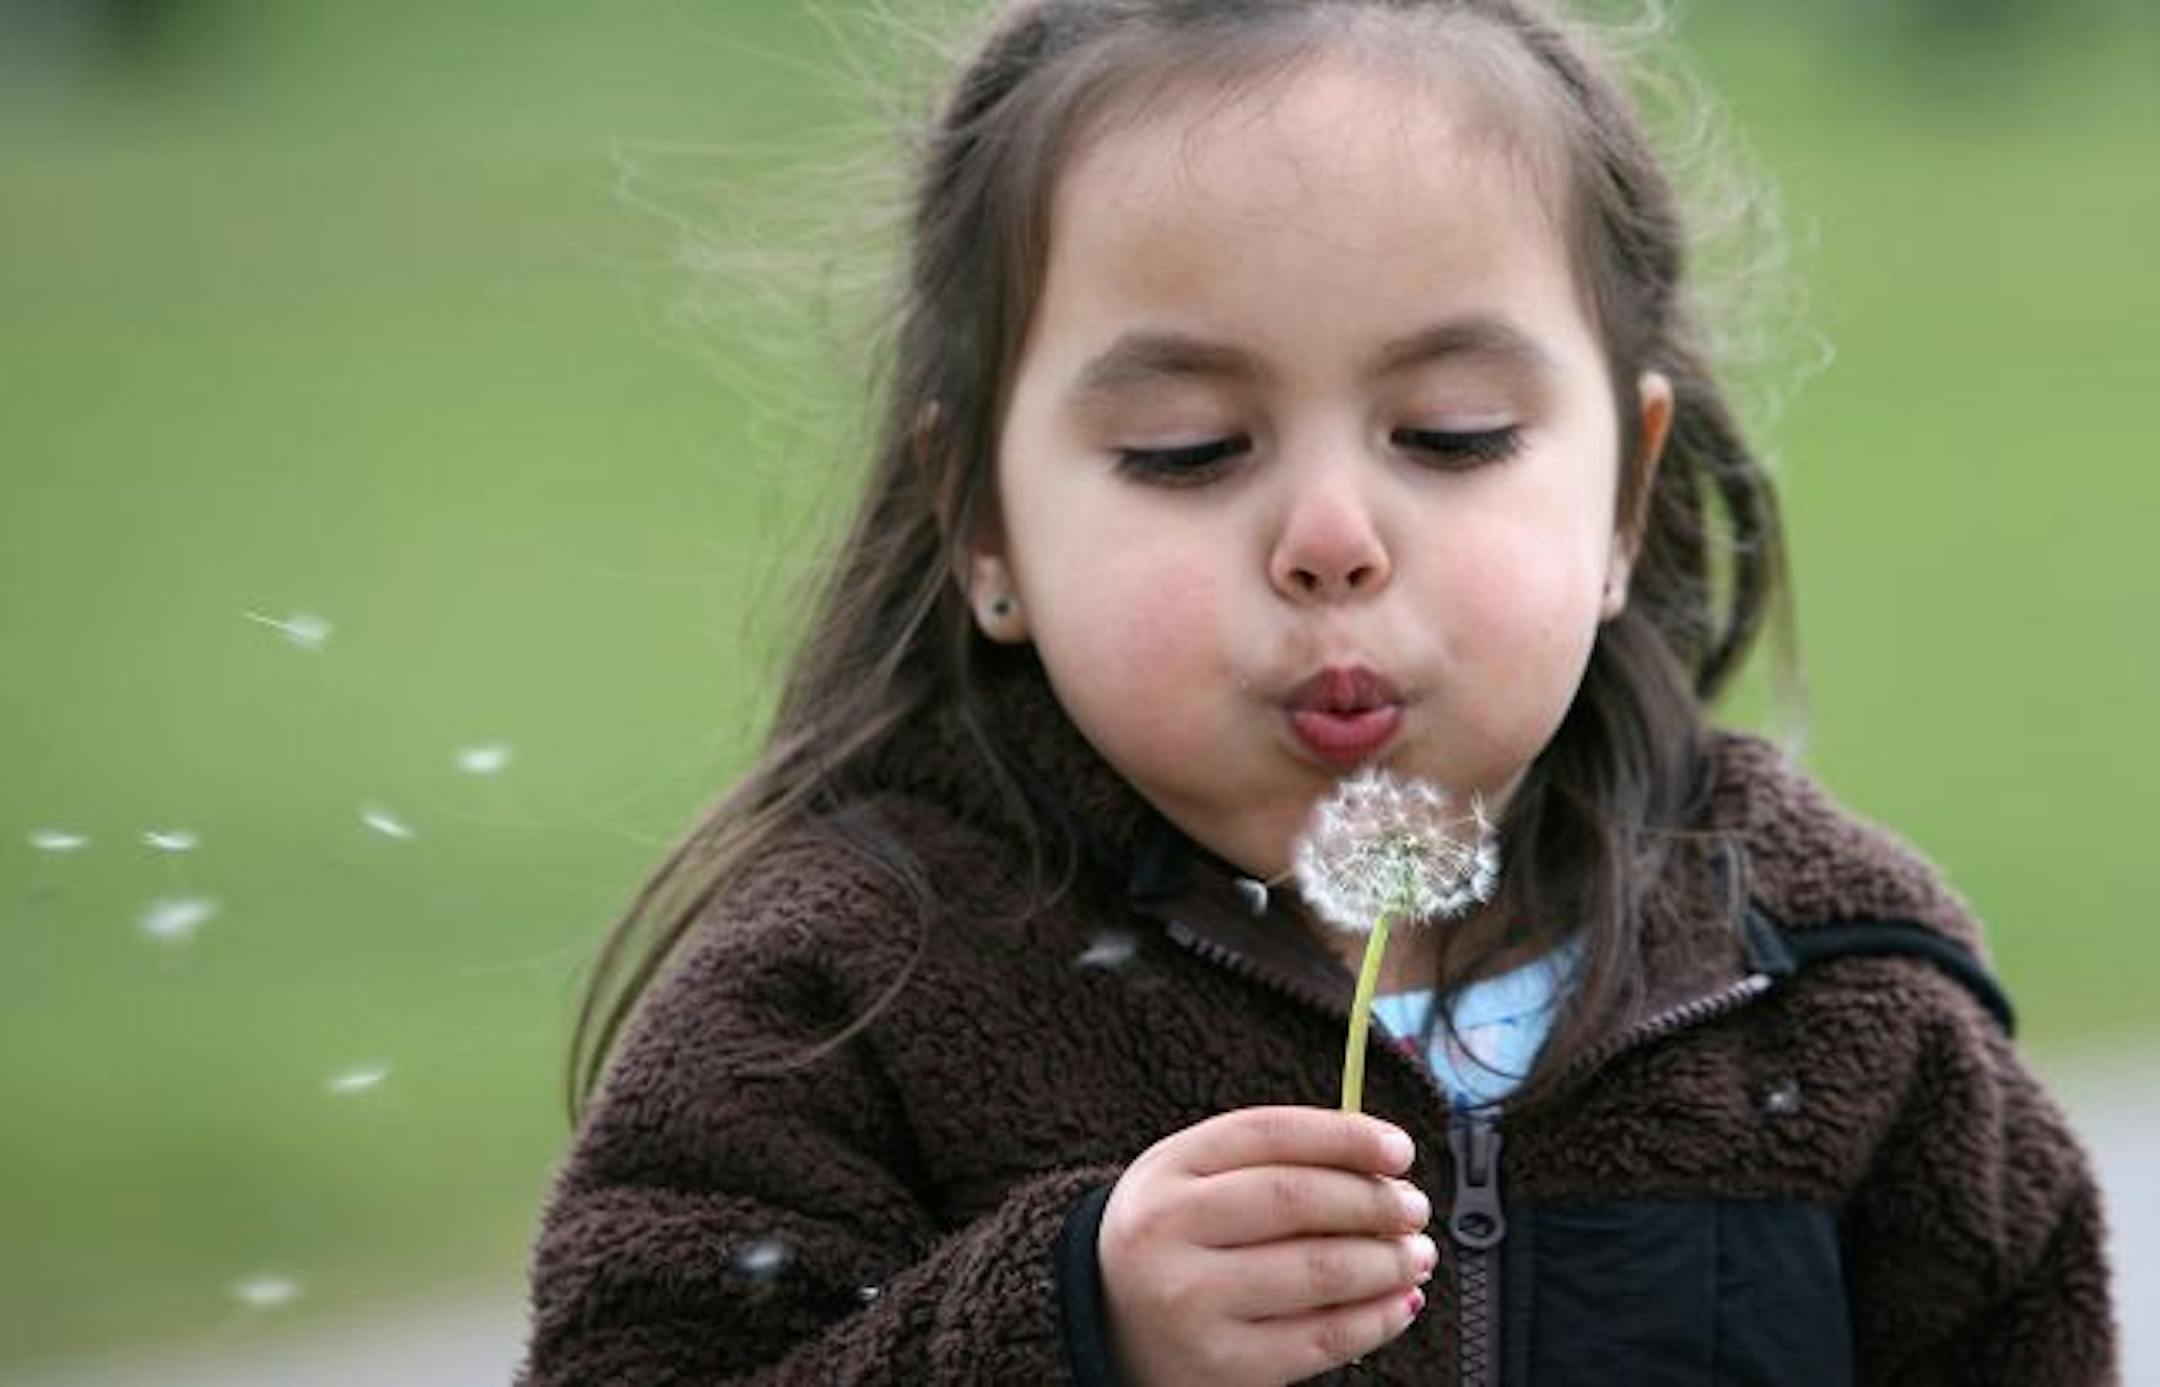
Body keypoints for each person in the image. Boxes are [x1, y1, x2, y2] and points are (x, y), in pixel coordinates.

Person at [518, 1, 2116, 1382]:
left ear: (1624, 497)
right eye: (1188, 452)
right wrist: (1071, 1324)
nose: (1333, 542)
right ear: (984, 524)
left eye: (1453, 433)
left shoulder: (1825, 984)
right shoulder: (850, 999)